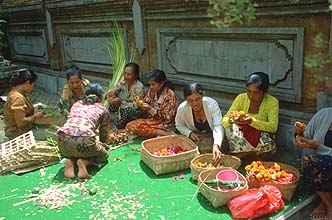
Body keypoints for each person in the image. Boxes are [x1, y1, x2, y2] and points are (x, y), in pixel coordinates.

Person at [57, 83, 110, 179]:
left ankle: (72, 161)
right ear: (100, 97)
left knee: (75, 149)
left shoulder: (76, 104)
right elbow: (104, 133)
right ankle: (85, 162)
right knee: (104, 156)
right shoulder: (102, 109)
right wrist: (103, 145)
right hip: (84, 143)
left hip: (62, 142)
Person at [221, 72, 279, 159]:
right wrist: (232, 119)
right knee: (230, 128)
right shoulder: (241, 98)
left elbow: (273, 127)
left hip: (260, 137)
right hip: (242, 136)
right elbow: (224, 121)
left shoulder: (272, 102)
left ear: (265, 92)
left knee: (266, 140)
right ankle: (252, 154)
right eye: (249, 91)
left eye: (256, 93)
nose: (251, 96)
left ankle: (239, 156)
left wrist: (252, 121)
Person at [294, 108, 332, 220]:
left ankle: (325, 203)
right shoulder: (324, 114)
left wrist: (319, 147)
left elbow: (317, 146)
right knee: (311, 162)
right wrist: (299, 134)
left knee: (323, 163)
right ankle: (328, 204)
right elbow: (306, 136)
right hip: (322, 166)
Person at [175, 83, 223, 160]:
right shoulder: (182, 108)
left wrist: (216, 145)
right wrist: (189, 133)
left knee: (218, 149)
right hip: (197, 137)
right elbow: (179, 125)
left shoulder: (212, 104)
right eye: (190, 100)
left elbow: (218, 126)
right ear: (186, 100)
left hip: (213, 136)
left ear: (202, 96)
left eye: (197, 99)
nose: (195, 104)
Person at [126, 69, 179, 137]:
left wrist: (150, 109)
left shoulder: (170, 96)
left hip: (166, 124)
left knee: (139, 128)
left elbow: (167, 118)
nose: (151, 87)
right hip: (153, 121)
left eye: (153, 84)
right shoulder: (152, 91)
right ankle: (160, 133)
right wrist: (140, 104)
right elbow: (146, 104)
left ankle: (164, 133)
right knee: (130, 126)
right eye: (150, 84)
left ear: (161, 83)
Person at [4, 69, 44, 139]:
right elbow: (21, 122)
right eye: (33, 85)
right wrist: (36, 116)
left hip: (17, 130)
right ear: (27, 83)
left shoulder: (14, 92)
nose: (33, 88)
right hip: (16, 133)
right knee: (51, 132)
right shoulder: (18, 98)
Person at [105, 62, 145, 129]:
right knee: (113, 104)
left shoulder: (139, 87)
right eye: (125, 73)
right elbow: (114, 89)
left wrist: (121, 103)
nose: (126, 76)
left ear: (135, 76)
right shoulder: (124, 83)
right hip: (125, 107)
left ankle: (121, 125)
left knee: (127, 110)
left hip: (136, 111)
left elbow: (137, 105)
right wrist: (110, 94)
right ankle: (114, 121)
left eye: (129, 74)